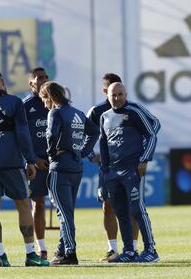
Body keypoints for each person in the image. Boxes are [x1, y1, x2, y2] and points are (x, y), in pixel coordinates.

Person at [0, 69, 49, 267]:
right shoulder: (15, 103)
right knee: (23, 205)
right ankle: (31, 255)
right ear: (3, 82)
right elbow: (23, 134)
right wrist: (30, 160)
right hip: (12, 164)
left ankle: (1, 256)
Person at [86, 73, 160, 261]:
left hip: (132, 169)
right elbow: (103, 144)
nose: (117, 98)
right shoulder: (104, 116)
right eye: (114, 95)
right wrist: (104, 170)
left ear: (126, 94)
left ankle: (151, 250)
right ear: (107, 96)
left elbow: (152, 134)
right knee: (120, 211)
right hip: (112, 172)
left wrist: (144, 159)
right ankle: (128, 251)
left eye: (120, 94)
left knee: (137, 208)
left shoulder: (134, 112)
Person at [39, 81, 99, 265]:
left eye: (44, 100)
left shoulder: (55, 112)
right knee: (67, 212)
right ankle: (61, 250)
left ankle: (70, 253)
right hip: (76, 167)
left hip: (60, 167)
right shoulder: (78, 113)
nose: (44, 104)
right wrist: (82, 151)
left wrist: (50, 155)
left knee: (63, 214)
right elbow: (94, 131)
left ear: (49, 96)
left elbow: (51, 135)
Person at [23, 67, 50, 260]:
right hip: (37, 163)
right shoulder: (25, 106)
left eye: (45, 77)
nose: (43, 80)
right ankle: (40, 247)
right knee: (38, 203)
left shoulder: (55, 102)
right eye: (39, 77)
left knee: (63, 206)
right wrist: (33, 160)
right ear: (31, 83)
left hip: (57, 161)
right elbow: (21, 138)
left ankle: (66, 246)